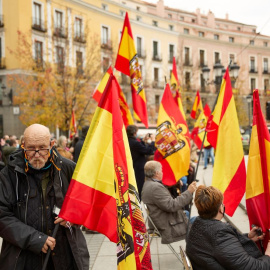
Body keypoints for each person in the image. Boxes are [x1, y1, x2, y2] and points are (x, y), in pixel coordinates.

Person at [0, 124, 89, 269]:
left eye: (42, 148)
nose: (36, 154)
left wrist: (75, 215)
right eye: (30, 148)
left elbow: (87, 202)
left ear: (52, 144)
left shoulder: (68, 168)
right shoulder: (9, 174)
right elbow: (2, 215)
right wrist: (35, 239)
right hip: (23, 258)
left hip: (65, 255)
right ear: (23, 146)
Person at [186, 185, 270, 269]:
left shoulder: (197, 225)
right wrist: (268, 256)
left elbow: (223, 247)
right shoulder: (219, 233)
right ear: (220, 209)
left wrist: (247, 238)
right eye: (222, 204)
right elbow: (252, 268)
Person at [141, 160, 197, 244]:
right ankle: (194, 249)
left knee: (186, 214)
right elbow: (172, 205)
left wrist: (173, 184)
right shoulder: (155, 188)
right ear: (156, 173)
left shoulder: (149, 183)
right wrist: (189, 192)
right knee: (198, 221)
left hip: (161, 220)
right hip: (166, 225)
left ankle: (192, 247)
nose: (162, 172)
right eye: (161, 170)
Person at [127, 125, 156, 199]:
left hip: (132, 166)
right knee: (139, 187)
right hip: (138, 168)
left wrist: (143, 141)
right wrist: (153, 141)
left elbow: (141, 150)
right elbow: (148, 151)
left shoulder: (128, 141)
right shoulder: (135, 143)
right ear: (134, 133)